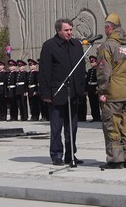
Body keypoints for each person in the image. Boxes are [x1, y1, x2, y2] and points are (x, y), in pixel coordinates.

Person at [39, 18, 86, 166]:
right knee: (56, 127)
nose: (70, 33)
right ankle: (56, 154)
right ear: (58, 30)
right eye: (66, 30)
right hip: (57, 94)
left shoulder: (76, 45)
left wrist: (81, 89)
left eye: (71, 30)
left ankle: (70, 154)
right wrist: (46, 94)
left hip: (74, 94)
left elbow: (81, 69)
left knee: (72, 127)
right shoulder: (49, 46)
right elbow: (44, 71)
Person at [97, 12, 126, 169]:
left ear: (109, 28)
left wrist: (102, 91)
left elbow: (103, 72)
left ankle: (116, 160)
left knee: (112, 124)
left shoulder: (107, 46)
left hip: (113, 92)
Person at [86, 56, 101, 122]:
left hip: (95, 88)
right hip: (90, 88)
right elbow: (87, 81)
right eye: (91, 62)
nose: (91, 63)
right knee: (92, 103)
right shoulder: (90, 70)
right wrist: (86, 90)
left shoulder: (98, 70)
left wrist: (98, 88)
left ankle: (98, 117)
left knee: (96, 104)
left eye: (93, 62)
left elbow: (99, 80)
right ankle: (94, 117)